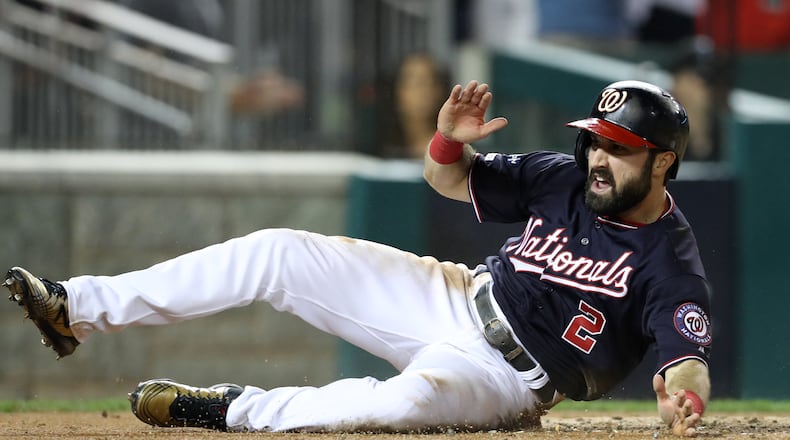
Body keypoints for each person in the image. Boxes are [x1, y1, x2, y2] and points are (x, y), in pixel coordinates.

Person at [4, 79, 711, 436]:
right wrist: (446, 140)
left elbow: (687, 359)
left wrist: (684, 401)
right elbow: (452, 177)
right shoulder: (563, 175)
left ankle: (230, 411)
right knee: (279, 253)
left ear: (663, 164)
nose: (598, 156)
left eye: (619, 149)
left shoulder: (669, 258)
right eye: (596, 138)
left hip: (504, 377)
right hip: (455, 296)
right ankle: (76, 308)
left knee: (402, 403)